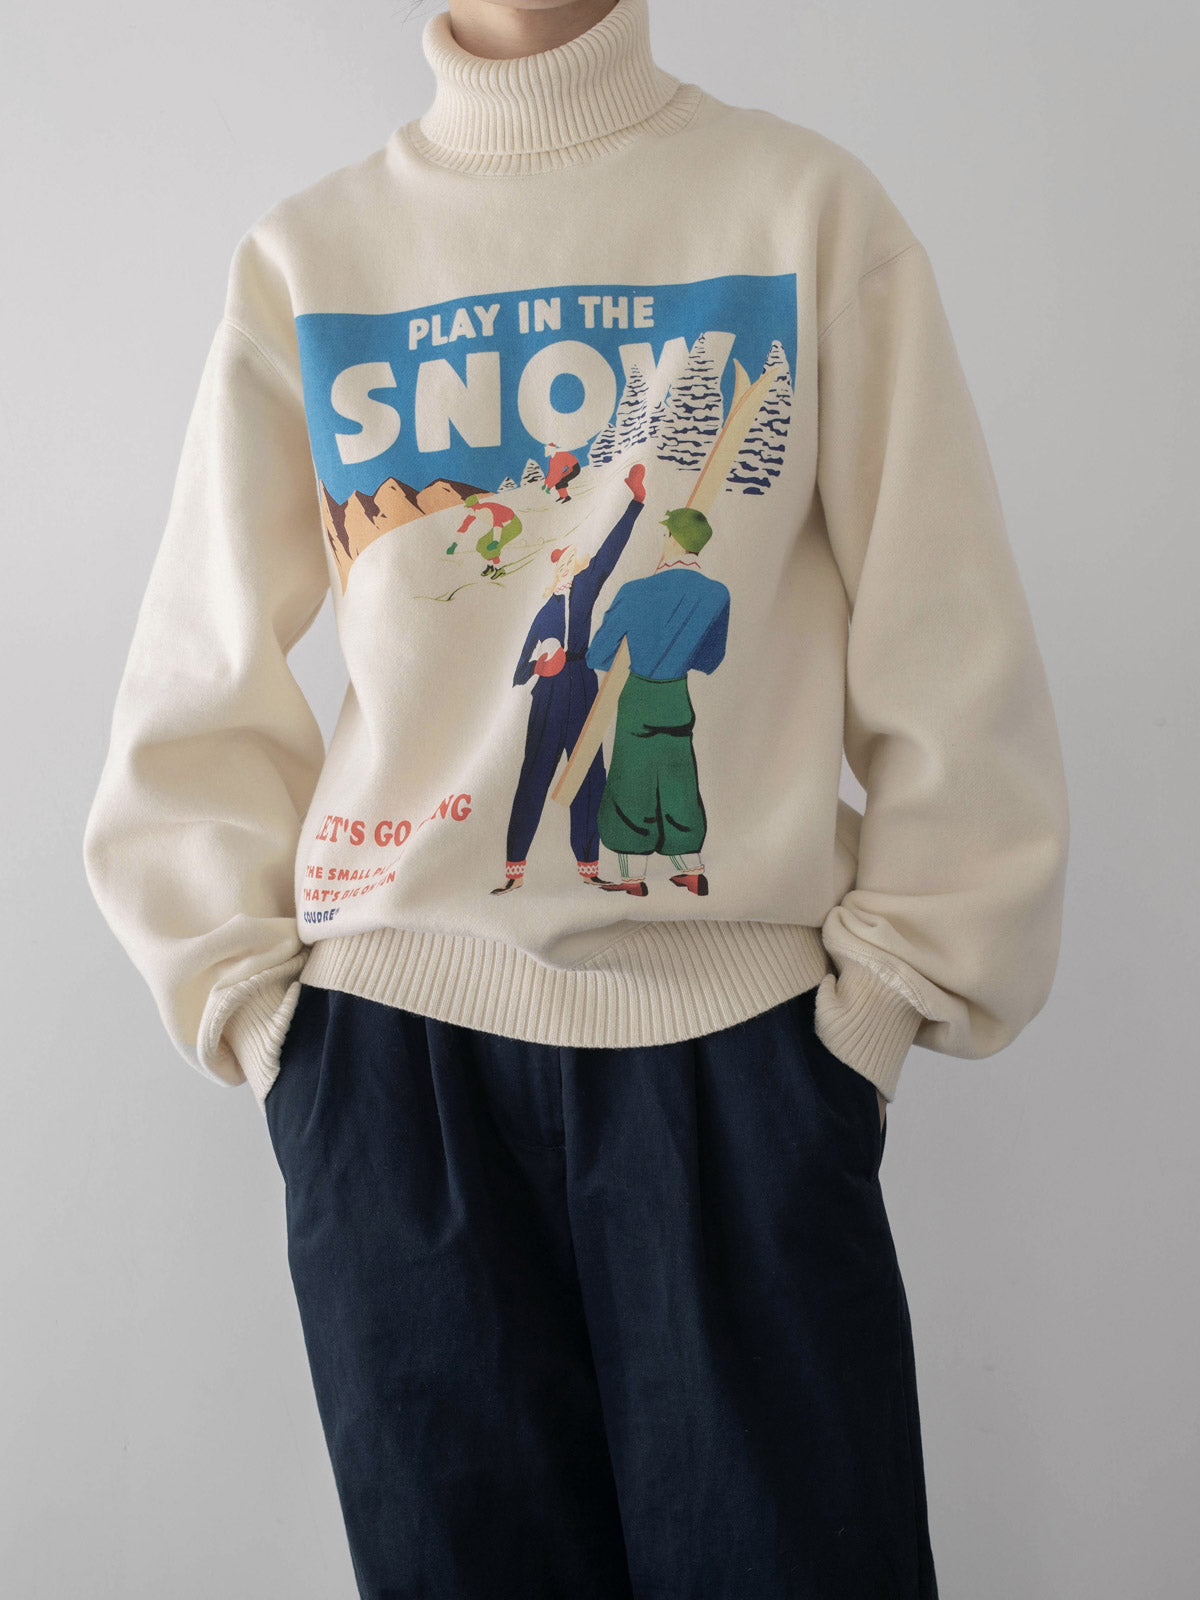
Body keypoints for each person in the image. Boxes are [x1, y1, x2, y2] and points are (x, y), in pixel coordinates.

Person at [81, 1, 1070, 1596]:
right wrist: (271, 1026)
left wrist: (887, 1002)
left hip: (740, 1062)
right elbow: (192, 692)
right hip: (394, 1077)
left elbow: (951, 651)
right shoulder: (311, 262)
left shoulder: (803, 215)